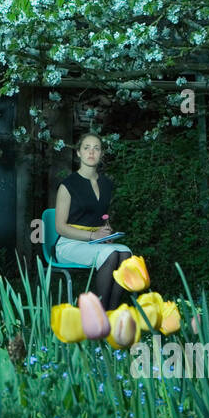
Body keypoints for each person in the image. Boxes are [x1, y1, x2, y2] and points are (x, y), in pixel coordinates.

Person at [54, 132, 134, 312]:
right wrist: (92, 235)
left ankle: (112, 314)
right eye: (86, 148)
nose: (91, 152)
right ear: (79, 153)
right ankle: (97, 315)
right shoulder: (68, 185)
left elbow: (101, 217)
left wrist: (106, 232)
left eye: (96, 148)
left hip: (95, 243)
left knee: (125, 252)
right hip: (70, 245)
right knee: (112, 255)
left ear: (102, 154)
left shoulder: (106, 184)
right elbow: (60, 227)